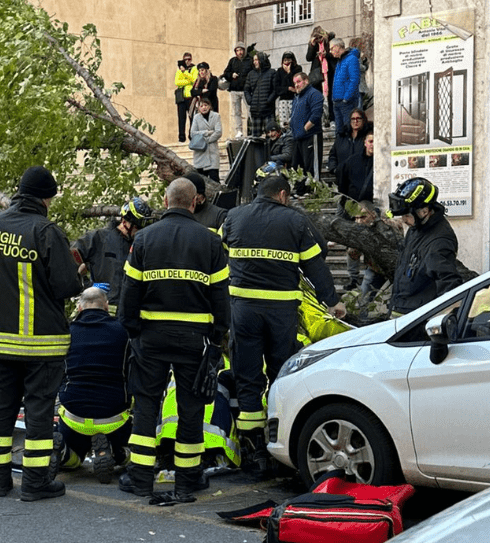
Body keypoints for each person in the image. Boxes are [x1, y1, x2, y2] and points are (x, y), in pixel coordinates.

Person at [117, 178, 230, 501]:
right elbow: (220, 295)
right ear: (194, 203)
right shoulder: (211, 242)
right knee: (191, 411)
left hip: (151, 338)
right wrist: (218, 335)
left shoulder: (143, 239)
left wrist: (132, 330)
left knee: (146, 406)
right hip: (194, 340)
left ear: (165, 202)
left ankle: (141, 479)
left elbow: (129, 292)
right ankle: (186, 481)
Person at [223, 175, 343, 470]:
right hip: (280, 313)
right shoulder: (295, 221)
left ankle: (253, 450)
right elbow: (316, 264)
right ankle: (280, 444)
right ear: (283, 195)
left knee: (247, 376)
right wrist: (332, 301)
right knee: (281, 375)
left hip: (243, 311)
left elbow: (218, 254)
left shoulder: (234, 217)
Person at [0, 166, 83, 501]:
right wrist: (79, 272)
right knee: (38, 413)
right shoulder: (45, 230)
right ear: (46, 197)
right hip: (41, 343)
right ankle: (35, 483)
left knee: (1, 410)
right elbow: (67, 286)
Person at [54, 287, 131, 484]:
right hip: (113, 416)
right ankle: (117, 453)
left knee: (74, 461)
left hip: (74, 416)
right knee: (133, 455)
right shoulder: (123, 332)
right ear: (106, 306)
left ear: (80, 308)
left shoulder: (67, 332)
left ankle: (63, 453)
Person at [388, 178, 462, 316]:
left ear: (424, 211)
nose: (403, 220)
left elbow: (449, 284)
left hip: (418, 318)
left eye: (407, 215)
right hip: (403, 311)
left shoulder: (439, 241)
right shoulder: (416, 229)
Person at [72, 197, 153, 310]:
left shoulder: (140, 245)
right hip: (101, 309)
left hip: (128, 311)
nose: (140, 232)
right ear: (124, 222)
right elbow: (71, 257)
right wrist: (86, 285)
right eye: (137, 228)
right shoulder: (99, 238)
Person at [351, 201, 403, 321]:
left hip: (395, 270)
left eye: (363, 217)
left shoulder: (387, 226)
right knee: (363, 299)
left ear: (373, 215)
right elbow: (353, 255)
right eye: (356, 218)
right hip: (375, 269)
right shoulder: (359, 230)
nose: (359, 221)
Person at [336, 131, 375, 290]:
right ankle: (353, 278)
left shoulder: (382, 161)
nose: (373, 145)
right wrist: (345, 204)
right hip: (352, 207)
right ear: (365, 143)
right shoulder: (353, 161)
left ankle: (368, 277)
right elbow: (342, 183)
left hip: (371, 209)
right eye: (370, 141)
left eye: (375, 141)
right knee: (352, 246)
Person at [289, 72, 324, 179]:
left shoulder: (314, 94)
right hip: (297, 138)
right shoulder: (297, 97)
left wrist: (305, 128)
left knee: (311, 169)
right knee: (297, 169)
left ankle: (313, 188)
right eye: (295, 83)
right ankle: (301, 189)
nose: (296, 85)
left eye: (298, 82)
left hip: (310, 136)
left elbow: (316, 115)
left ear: (306, 81)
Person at [306, 26, 336, 128]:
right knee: (318, 97)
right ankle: (320, 119)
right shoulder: (314, 45)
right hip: (317, 74)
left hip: (329, 72)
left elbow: (334, 56)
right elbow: (308, 58)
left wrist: (325, 54)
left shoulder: (329, 42)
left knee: (331, 96)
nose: (319, 39)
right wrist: (312, 45)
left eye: (320, 37)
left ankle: (332, 119)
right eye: (316, 38)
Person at [330, 38, 361, 135]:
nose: (330, 51)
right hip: (337, 101)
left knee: (348, 130)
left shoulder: (351, 59)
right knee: (339, 132)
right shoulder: (340, 61)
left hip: (347, 102)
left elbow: (355, 80)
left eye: (331, 48)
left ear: (337, 47)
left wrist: (346, 98)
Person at [326, 108, 371, 174]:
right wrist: (335, 169)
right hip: (343, 176)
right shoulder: (342, 136)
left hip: (363, 176)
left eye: (358, 118)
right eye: (353, 119)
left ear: (363, 120)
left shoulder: (369, 138)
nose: (355, 121)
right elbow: (333, 155)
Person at [222, 42, 252, 138]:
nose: (239, 52)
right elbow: (226, 72)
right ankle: (239, 131)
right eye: (237, 50)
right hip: (234, 90)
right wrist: (231, 75)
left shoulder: (250, 60)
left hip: (246, 90)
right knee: (236, 112)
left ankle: (252, 128)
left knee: (250, 110)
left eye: (241, 50)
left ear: (244, 50)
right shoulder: (232, 61)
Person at [189, 97, 223, 183]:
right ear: (198, 108)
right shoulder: (196, 117)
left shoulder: (216, 116)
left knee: (214, 179)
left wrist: (207, 140)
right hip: (200, 153)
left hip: (212, 153)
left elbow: (218, 132)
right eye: (201, 106)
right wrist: (207, 132)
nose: (204, 107)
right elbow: (193, 133)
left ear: (209, 106)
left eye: (205, 105)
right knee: (200, 181)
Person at [244, 51, 276, 137]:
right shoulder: (251, 74)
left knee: (271, 136)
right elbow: (246, 90)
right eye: (254, 60)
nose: (254, 62)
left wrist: (268, 101)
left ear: (262, 60)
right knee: (255, 138)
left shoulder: (272, 72)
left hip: (268, 110)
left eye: (256, 60)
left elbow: (275, 90)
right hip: (255, 111)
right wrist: (250, 101)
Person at [274, 51, 301, 128]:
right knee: (284, 124)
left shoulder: (297, 69)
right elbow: (277, 88)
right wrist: (287, 88)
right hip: (283, 100)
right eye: (285, 60)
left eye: (289, 60)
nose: (287, 62)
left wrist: (289, 73)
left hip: (294, 98)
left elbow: (295, 83)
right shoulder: (279, 71)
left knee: (295, 120)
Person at [175, 52, 198, 142]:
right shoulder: (179, 70)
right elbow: (177, 82)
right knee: (181, 118)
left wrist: (185, 73)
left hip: (190, 96)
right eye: (185, 59)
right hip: (181, 96)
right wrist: (188, 80)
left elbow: (194, 80)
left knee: (192, 117)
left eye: (189, 59)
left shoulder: (194, 68)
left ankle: (191, 135)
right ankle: (181, 136)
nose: (187, 61)